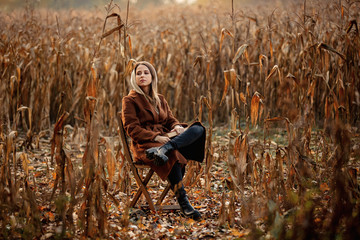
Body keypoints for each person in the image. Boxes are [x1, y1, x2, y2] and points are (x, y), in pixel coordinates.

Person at [121, 61, 206, 220]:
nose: (142, 76)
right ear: (134, 77)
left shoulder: (159, 98)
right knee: (172, 153)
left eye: (146, 73)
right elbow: (132, 128)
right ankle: (184, 203)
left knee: (198, 128)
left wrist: (176, 127)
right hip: (146, 145)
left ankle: (165, 148)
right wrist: (155, 137)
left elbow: (170, 120)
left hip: (166, 140)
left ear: (152, 76)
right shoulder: (130, 100)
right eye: (138, 73)